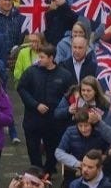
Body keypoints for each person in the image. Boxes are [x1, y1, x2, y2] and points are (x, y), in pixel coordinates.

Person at [17, 42, 74, 175]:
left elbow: (70, 94)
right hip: (33, 119)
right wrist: (35, 104)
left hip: (53, 121)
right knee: (33, 149)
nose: (39, 59)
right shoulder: (31, 72)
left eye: (42, 57)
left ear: (51, 58)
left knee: (52, 149)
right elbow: (21, 88)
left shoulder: (64, 75)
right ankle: (37, 172)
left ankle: (48, 171)